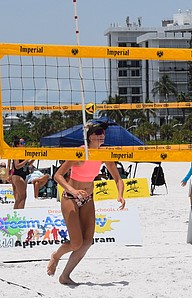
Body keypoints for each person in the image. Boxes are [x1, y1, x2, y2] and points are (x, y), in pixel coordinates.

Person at [48, 120, 125, 285]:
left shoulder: (104, 154)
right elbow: (58, 176)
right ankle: (56, 255)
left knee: (87, 242)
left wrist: (120, 194)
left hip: (88, 198)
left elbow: (118, 178)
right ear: (89, 137)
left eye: (103, 133)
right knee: (76, 243)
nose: (101, 136)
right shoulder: (80, 153)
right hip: (70, 197)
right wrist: (73, 190)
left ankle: (65, 276)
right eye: (97, 133)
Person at [9, 137, 34, 209]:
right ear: (17, 145)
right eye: (22, 143)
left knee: (20, 197)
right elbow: (17, 166)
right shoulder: (17, 153)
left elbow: (26, 165)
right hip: (18, 175)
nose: (24, 144)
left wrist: (33, 159)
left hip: (22, 175)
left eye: (24, 142)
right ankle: (20, 213)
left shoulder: (23, 153)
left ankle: (16, 212)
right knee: (22, 196)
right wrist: (26, 160)